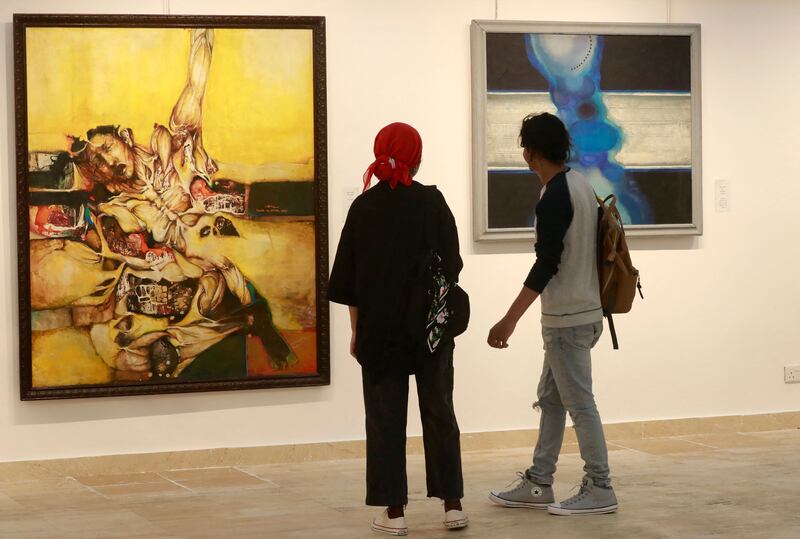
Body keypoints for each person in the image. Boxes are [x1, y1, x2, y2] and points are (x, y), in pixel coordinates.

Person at [328, 122, 468, 535]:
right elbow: (453, 266)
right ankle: (452, 505)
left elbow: (348, 281)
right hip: (431, 329)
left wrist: (356, 331)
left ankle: (395, 512)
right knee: (440, 411)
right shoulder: (432, 203)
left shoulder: (363, 208)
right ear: (417, 157)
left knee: (385, 420)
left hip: (379, 331)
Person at [487, 112, 618, 516]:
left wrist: (509, 318)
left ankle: (600, 486)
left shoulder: (556, 195)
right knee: (552, 399)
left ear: (532, 152)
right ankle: (539, 481)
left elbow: (547, 264)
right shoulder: (579, 184)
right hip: (583, 314)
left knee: (579, 405)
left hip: (568, 320)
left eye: (526, 146)